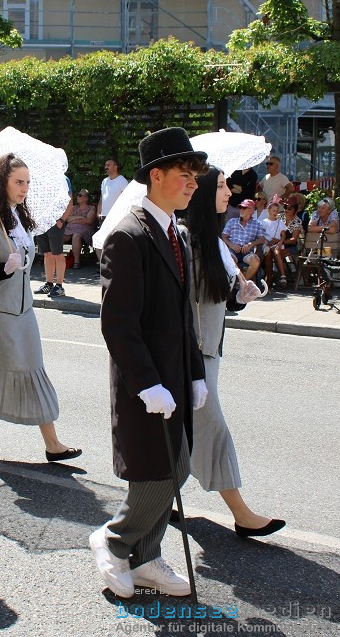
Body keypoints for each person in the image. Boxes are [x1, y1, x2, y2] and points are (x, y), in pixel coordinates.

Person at [90, 127, 208, 599]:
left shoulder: (175, 231)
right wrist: (146, 383)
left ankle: (146, 557)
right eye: (185, 175)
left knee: (176, 468)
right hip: (147, 381)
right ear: (156, 176)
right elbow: (118, 324)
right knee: (157, 472)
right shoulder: (128, 235)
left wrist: (195, 372)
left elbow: (185, 314)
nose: (193, 184)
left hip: (176, 373)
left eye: (196, 176)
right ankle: (115, 541)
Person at [181, 166, 284, 538]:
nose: (229, 193)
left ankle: (160, 498)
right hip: (194, 354)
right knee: (213, 428)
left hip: (211, 351)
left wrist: (241, 296)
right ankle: (241, 513)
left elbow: (219, 297)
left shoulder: (215, 242)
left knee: (186, 432)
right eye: (222, 186)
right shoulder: (189, 241)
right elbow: (184, 301)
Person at [0, 154, 81, 462]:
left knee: (33, 371)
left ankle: (52, 443)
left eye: (27, 182)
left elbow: (24, 261)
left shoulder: (18, 219)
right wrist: (1, 268)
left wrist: (20, 262)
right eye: (18, 182)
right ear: (3, 183)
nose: (24, 187)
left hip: (24, 311)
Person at [35, 176, 72, 298]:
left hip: (56, 221)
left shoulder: (63, 179)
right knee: (47, 254)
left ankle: (60, 286)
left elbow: (69, 201)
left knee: (58, 254)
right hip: (42, 222)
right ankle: (49, 283)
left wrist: (62, 219)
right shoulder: (40, 178)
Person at [221, 198, 265, 280]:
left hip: (247, 252)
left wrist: (251, 244)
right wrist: (232, 245)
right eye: (240, 207)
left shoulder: (257, 224)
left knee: (255, 261)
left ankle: (243, 282)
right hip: (233, 250)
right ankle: (237, 283)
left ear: (251, 211)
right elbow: (224, 236)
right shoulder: (232, 221)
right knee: (229, 260)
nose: (241, 209)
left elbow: (262, 239)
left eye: (244, 208)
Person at [62, 189, 96, 269]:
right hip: (70, 229)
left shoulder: (91, 208)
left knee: (76, 235)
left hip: (84, 230)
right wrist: (80, 217)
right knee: (59, 236)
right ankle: (56, 259)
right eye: (77, 194)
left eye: (80, 195)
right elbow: (67, 218)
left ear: (86, 198)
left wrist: (74, 220)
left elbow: (89, 221)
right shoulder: (73, 208)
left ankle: (76, 262)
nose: (77, 196)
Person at [99, 157, 129, 224]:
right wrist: (99, 211)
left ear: (115, 167)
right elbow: (102, 197)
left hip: (117, 216)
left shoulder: (122, 181)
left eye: (108, 165)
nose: (106, 167)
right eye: (105, 165)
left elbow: (127, 199)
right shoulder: (104, 181)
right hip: (104, 216)